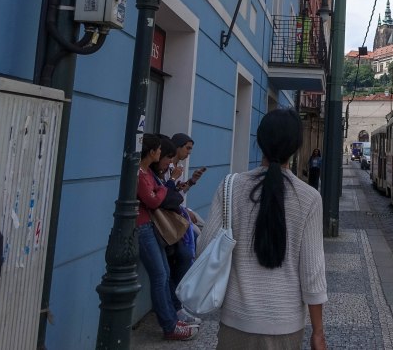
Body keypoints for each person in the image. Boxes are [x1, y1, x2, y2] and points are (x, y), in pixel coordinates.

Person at [202, 109, 327, 349]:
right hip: (285, 326)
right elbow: (312, 273)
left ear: (259, 141)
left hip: (236, 321)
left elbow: (206, 249)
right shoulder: (309, 198)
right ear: (297, 147)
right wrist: (318, 332)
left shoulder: (230, 187)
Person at [136, 134, 199, 341]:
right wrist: (166, 186)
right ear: (153, 152)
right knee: (160, 275)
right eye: (160, 151)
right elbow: (153, 200)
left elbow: (159, 193)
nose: (163, 156)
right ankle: (169, 324)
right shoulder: (140, 174)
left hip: (151, 226)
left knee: (162, 273)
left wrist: (162, 189)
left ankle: (172, 318)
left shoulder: (148, 173)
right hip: (143, 227)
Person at [152, 138, 200, 326]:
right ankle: (174, 309)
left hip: (172, 217)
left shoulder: (171, 170)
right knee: (179, 257)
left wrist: (190, 182)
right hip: (164, 223)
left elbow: (174, 197)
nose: (189, 152)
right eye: (187, 148)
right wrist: (173, 181)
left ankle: (178, 303)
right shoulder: (165, 172)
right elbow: (164, 199)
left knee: (197, 238)